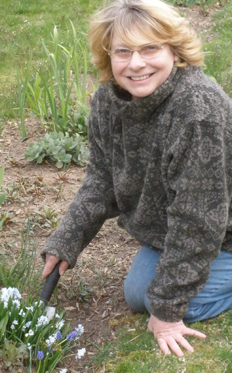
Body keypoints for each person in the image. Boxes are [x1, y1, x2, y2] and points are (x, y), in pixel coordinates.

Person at [41, 0, 232, 358]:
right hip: (173, 227)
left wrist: (168, 313)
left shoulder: (198, 112)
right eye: (123, 51)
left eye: (150, 48)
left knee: (161, 301)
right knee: (139, 292)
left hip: (223, 231)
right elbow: (101, 181)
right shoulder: (109, 101)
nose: (136, 63)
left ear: (175, 52)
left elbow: (199, 222)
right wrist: (66, 240)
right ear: (108, 56)